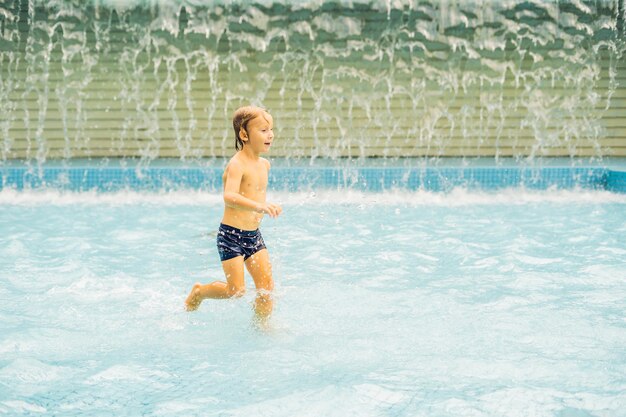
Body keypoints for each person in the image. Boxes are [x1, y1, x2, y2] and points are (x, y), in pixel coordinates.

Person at [185, 106, 282, 321]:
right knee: (235, 291)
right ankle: (200, 291)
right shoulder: (237, 164)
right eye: (264, 130)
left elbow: (254, 194)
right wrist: (260, 207)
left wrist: (266, 204)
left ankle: (261, 328)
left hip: (253, 235)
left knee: (266, 289)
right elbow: (229, 196)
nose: (270, 134)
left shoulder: (264, 165)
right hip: (231, 236)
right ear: (244, 135)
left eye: (271, 129)